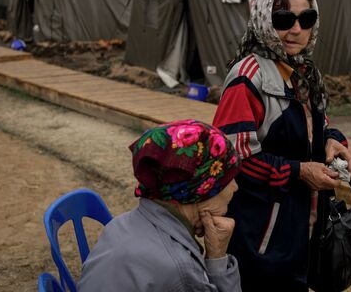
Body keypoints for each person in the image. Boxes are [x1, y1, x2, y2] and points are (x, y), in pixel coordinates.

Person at [212, 0, 351, 291]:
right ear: (263, 20)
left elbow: (313, 128)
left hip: (301, 226)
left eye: (306, 19)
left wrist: (333, 139)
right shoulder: (247, 78)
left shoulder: (305, 72)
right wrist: (300, 171)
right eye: (283, 19)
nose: (296, 29)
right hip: (261, 237)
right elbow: (231, 158)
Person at [78, 119, 243, 292]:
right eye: (227, 180)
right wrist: (218, 259)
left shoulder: (121, 223)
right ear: (199, 193)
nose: (235, 187)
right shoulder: (179, 270)